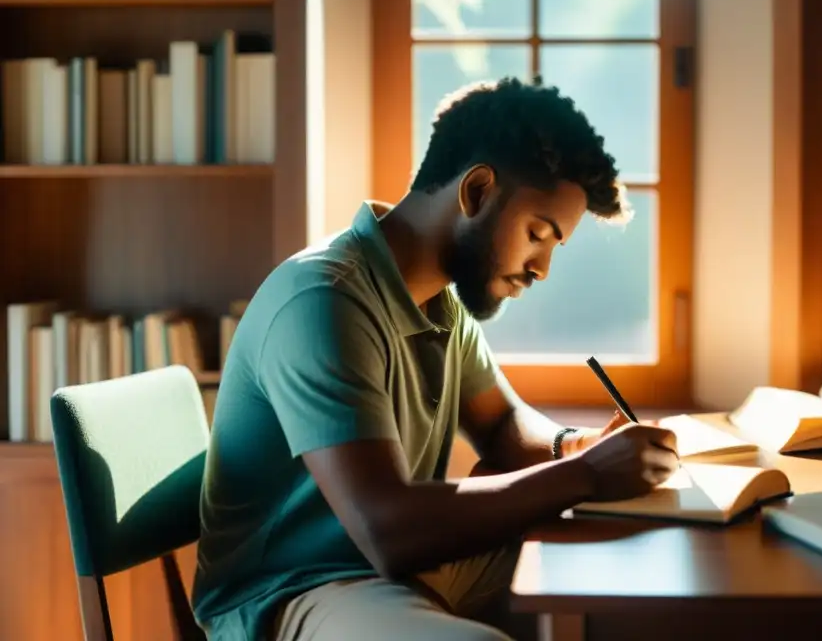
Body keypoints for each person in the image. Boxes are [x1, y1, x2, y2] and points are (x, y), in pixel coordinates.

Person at [190, 77, 680, 641]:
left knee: (625, 580)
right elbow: (387, 528)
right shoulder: (324, 301)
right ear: (476, 191)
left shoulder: (439, 300)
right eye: (537, 235)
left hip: (388, 569)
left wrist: (575, 447)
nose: (541, 268)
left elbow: (501, 423)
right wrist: (586, 475)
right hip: (299, 592)